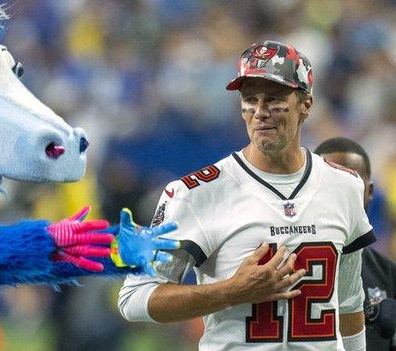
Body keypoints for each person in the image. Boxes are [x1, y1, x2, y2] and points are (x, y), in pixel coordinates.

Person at [118, 40, 375, 350]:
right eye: (250, 99)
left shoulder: (343, 185)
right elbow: (134, 298)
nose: (260, 112)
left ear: (306, 104)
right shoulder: (195, 193)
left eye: (275, 98)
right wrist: (229, 291)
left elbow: (348, 302)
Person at [315, 137, 396, 351]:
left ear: (369, 193)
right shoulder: (287, 267)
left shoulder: (388, 273)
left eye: (352, 187)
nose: (342, 198)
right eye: (330, 186)